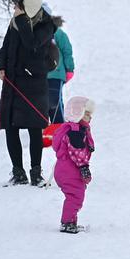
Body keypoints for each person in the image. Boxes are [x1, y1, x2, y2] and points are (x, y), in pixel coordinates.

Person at [0, 0, 56, 187]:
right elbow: (6, 47)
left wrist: (21, 20)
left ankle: (36, 173)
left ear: (28, 5)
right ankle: (18, 172)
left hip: (33, 86)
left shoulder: (46, 26)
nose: (15, 8)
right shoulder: (15, 23)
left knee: (34, 129)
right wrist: (1, 67)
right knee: (11, 127)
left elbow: (32, 45)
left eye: (18, 5)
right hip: (13, 84)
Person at [51, 96, 96, 234]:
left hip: (68, 170)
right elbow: (78, 152)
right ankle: (67, 223)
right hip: (69, 171)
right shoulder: (74, 132)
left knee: (76, 195)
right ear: (78, 113)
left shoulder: (75, 129)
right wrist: (84, 168)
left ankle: (71, 221)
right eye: (87, 114)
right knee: (75, 196)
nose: (90, 117)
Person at [45, 4, 75, 124]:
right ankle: (45, 129)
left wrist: (69, 69)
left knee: (55, 103)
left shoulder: (57, 33)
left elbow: (67, 51)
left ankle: (58, 127)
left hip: (56, 74)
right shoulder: (35, 33)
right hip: (40, 75)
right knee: (43, 103)